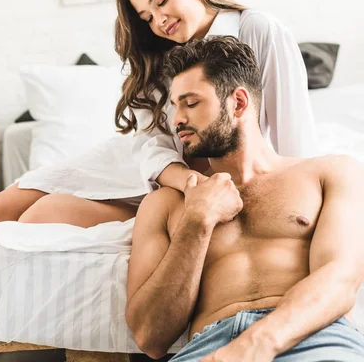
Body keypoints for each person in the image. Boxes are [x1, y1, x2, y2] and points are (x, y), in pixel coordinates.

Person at [0, 0, 316, 333]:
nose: (159, 20)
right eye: (147, 18)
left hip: (195, 181)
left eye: (161, 1)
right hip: (155, 167)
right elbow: (151, 144)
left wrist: (274, 196)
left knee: (40, 217)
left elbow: (293, 137)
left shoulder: (257, 30)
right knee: (14, 198)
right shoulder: (159, 60)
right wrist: (183, 178)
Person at [126, 35, 364, 361]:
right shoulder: (164, 204)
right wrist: (197, 220)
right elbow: (149, 337)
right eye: (174, 106)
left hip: (317, 338)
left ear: (238, 102)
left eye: (191, 103)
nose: (177, 119)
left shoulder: (332, 173)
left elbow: (341, 279)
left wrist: (255, 344)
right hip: (209, 347)